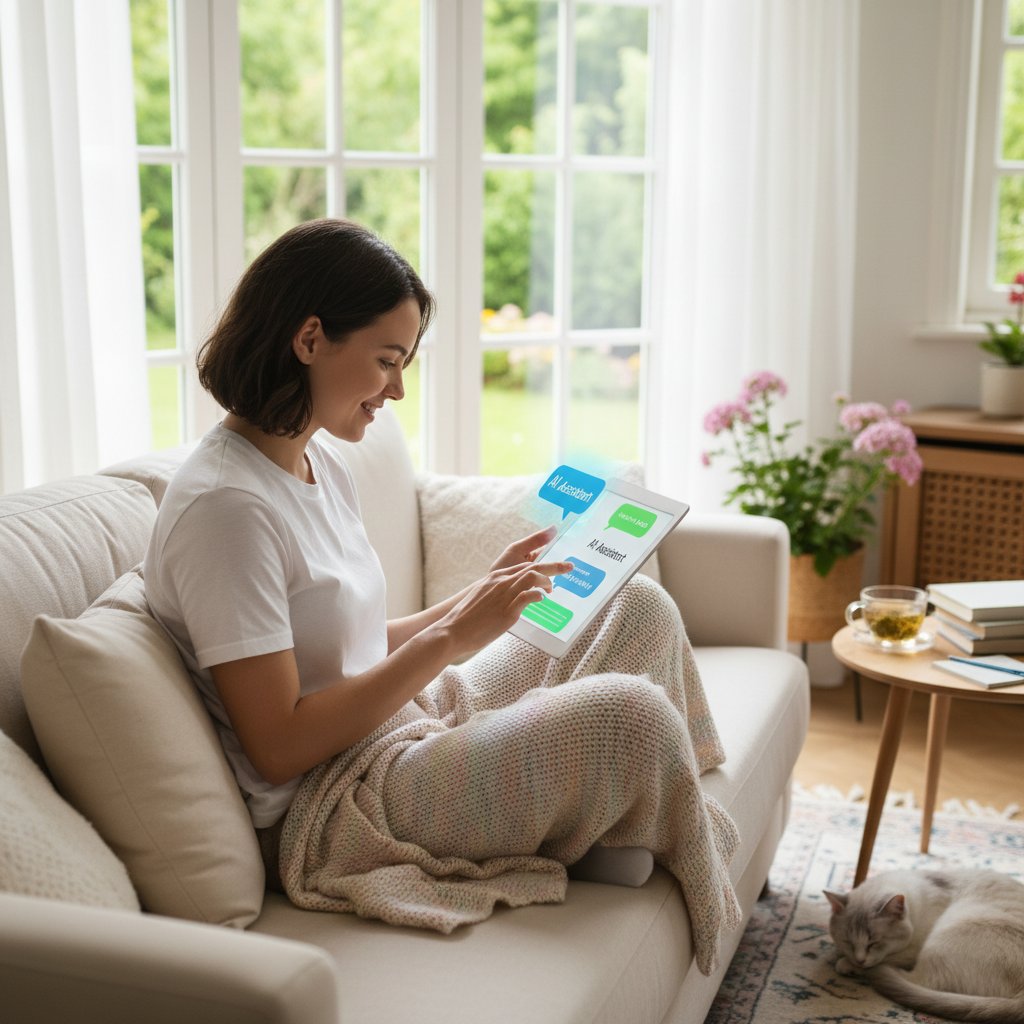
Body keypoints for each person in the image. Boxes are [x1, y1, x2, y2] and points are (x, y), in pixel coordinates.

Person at [144, 218, 740, 975]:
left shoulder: (310, 461)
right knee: (629, 717)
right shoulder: (226, 509)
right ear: (309, 339)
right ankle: (646, 826)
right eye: (387, 361)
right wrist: (455, 641)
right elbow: (280, 742)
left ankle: (622, 819)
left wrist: (478, 601)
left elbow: (347, 646)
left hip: (402, 727)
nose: (396, 388)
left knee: (635, 607)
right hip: (340, 804)